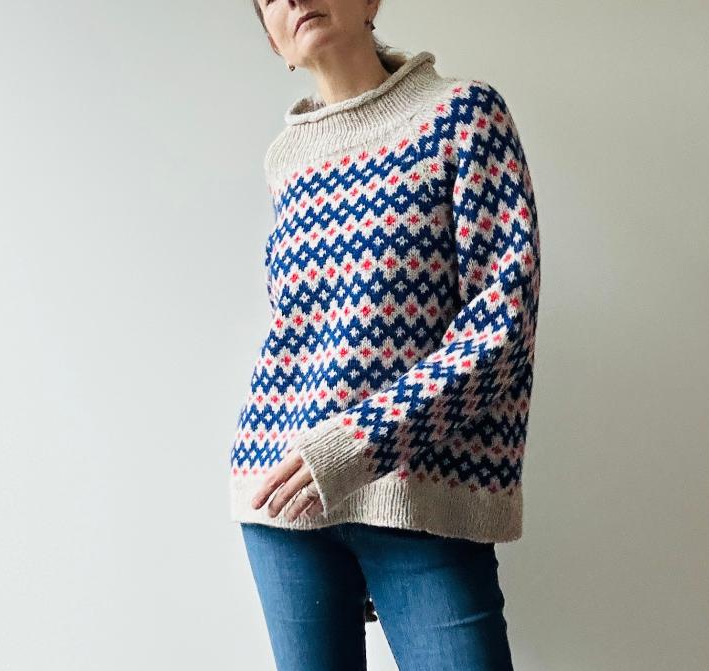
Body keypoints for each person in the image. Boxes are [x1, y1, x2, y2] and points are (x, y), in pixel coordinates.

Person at [231, 1, 541, 668]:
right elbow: (299, 331)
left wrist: (358, 445)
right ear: (274, 43)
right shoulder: (286, 159)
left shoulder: (463, 115)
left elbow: (502, 326)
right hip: (284, 498)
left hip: (421, 491)